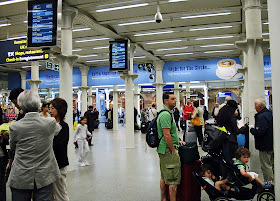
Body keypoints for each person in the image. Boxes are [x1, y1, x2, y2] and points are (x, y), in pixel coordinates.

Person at [8, 90, 62, 201]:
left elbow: (12, 146)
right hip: (44, 175)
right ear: (39, 104)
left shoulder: (15, 127)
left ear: (21, 106)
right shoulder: (50, 123)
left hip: (21, 175)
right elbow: (57, 131)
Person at [157, 92, 185, 201]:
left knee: (164, 176)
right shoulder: (165, 115)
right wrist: (173, 149)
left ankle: (163, 199)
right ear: (165, 101)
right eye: (172, 99)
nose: (175, 100)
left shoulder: (168, 113)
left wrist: (177, 140)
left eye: (175, 98)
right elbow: (166, 134)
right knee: (173, 179)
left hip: (165, 149)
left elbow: (171, 133)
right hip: (168, 150)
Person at [49, 98, 70, 201]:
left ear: (60, 109)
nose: (50, 111)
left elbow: (60, 145)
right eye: (49, 108)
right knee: (50, 195)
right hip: (48, 165)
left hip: (59, 164)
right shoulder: (48, 125)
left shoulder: (64, 126)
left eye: (53, 108)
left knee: (61, 194)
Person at [250, 98, 274, 182]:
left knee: (266, 166)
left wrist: (252, 130)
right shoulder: (270, 114)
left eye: (255, 106)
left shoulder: (261, 116)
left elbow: (260, 131)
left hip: (264, 145)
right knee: (272, 165)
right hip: (271, 143)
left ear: (259, 107)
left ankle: (269, 184)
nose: (254, 108)